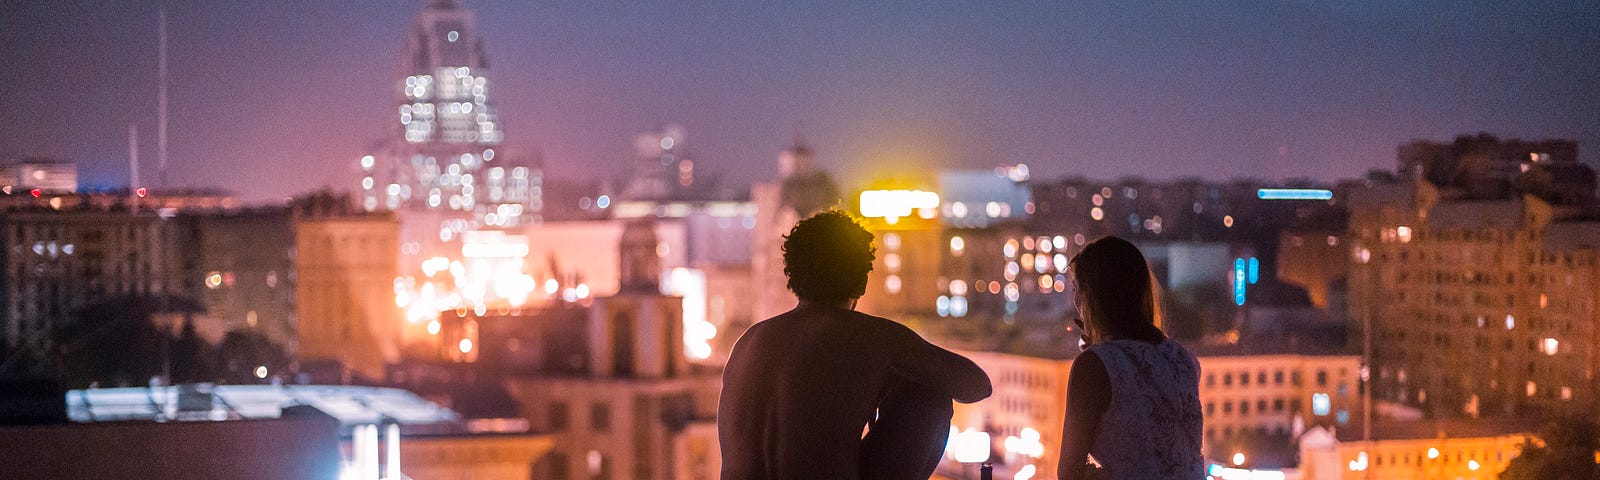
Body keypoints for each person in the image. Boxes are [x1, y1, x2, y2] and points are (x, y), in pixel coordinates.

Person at [719, 210, 992, 480]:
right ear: (861, 282)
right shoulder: (870, 336)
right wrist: (892, 379)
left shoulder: (749, 342)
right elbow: (976, 385)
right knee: (930, 396)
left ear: (793, 277)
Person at [1057, 236, 1203, 480]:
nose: (1076, 302)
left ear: (1092, 297)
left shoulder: (1093, 367)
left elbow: (1068, 472)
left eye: (1076, 290)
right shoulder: (1183, 359)